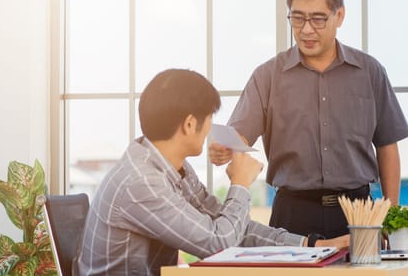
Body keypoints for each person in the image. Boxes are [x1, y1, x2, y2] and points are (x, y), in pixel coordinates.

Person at [78, 69, 348, 276]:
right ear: (189, 123)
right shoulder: (141, 182)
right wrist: (240, 183)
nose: (210, 129)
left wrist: (315, 245)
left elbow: (230, 226)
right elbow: (219, 244)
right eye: (209, 118)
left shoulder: (172, 168)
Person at [209, 0, 408, 240]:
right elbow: (240, 134)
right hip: (292, 213)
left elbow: (387, 145)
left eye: (318, 18)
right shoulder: (268, 75)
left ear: (339, 16)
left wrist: (390, 214)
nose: (306, 29)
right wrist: (222, 148)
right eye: (297, 17)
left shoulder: (369, 72)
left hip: (357, 212)